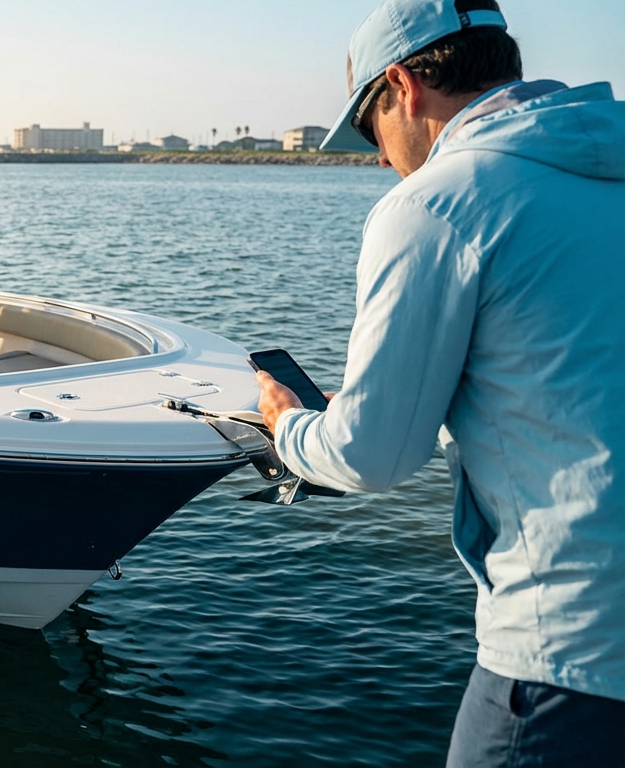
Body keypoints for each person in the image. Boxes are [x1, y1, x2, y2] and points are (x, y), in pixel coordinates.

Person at [253, 0, 625, 764]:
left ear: (403, 87)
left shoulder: (436, 204)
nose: (382, 158)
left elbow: (373, 454)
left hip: (569, 657)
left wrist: (286, 427)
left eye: (369, 127)